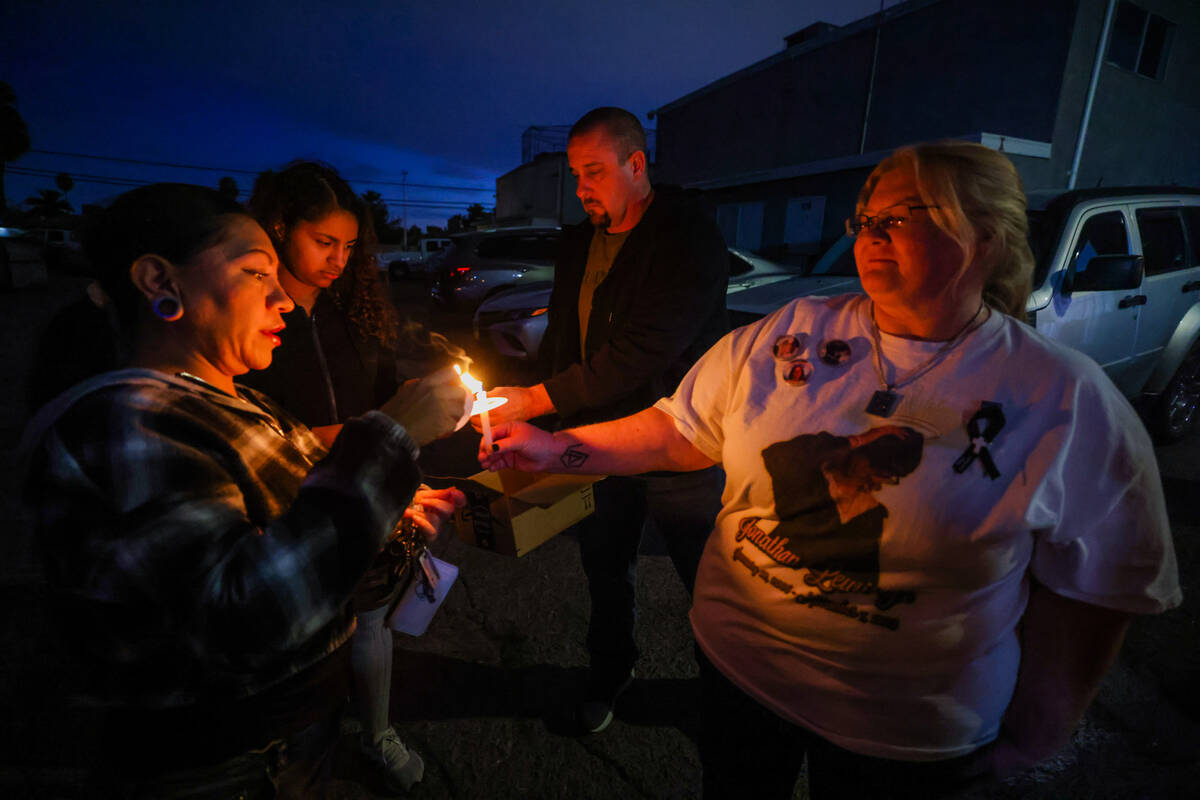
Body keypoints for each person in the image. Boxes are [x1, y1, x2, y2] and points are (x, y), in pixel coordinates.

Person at [479, 141, 1182, 798]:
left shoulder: (1060, 396)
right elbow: (679, 428)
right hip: (737, 680)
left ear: (986, 239)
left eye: (904, 217)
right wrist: (556, 448)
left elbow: (1102, 585)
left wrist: (1041, 729)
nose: (872, 232)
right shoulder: (792, 332)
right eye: (867, 216)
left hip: (906, 740)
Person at [21, 183, 470, 798]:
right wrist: (389, 437)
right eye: (257, 272)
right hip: (219, 768)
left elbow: (308, 546)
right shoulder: (129, 422)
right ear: (160, 281)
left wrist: (390, 517)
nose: (284, 295)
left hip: (292, 742)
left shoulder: (239, 403)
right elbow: (245, 618)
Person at [484, 106, 730, 733]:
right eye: (575, 174)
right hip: (596, 440)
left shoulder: (687, 236)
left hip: (681, 440)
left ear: (636, 163)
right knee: (606, 568)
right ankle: (608, 673)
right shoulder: (579, 242)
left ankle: (728, 695)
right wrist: (543, 420)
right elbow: (567, 339)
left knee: (708, 578)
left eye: (594, 171)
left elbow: (642, 351)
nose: (582, 187)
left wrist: (540, 401)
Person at [237, 160, 450, 793]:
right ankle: (292, 750)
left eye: (350, 246)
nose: (338, 260)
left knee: (372, 620)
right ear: (279, 228)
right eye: (323, 242)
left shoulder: (355, 311)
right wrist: (373, 434)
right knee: (295, 639)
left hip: (364, 494)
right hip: (285, 502)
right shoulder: (249, 321)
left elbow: (385, 397)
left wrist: (405, 467)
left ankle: (376, 731)